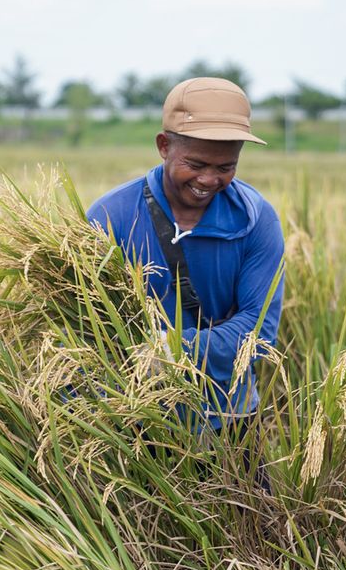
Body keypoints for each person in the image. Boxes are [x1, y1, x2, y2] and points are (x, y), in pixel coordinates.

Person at [86, 77, 285, 453]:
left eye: (227, 167)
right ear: (164, 146)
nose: (209, 180)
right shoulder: (111, 217)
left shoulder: (256, 220)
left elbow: (259, 332)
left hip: (229, 418)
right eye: (195, 164)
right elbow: (84, 329)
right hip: (133, 422)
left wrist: (172, 349)